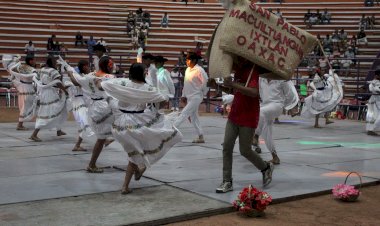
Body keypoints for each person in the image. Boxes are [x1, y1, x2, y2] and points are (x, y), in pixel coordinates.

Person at [101, 63, 183, 194]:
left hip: (121, 122)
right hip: (137, 122)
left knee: (135, 153)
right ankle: (133, 177)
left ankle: (135, 175)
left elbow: (104, 84)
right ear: (143, 73)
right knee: (147, 146)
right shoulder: (147, 88)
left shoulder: (124, 83)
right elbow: (162, 100)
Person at [209, 58, 274, 193]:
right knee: (227, 146)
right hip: (235, 114)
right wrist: (217, 86)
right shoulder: (238, 70)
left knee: (245, 150)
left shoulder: (253, 70)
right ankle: (227, 181)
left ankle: (265, 167)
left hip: (248, 116)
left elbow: (254, 92)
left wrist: (233, 83)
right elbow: (236, 91)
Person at [60, 56, 115, 173]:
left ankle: (92, 163)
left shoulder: (89, 76)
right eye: (111, 65)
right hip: (105, 107)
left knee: (102, 138)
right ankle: (136, 161)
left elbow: (76, 80)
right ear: (108, 66)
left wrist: (69, 70)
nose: (113, 67)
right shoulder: (110, 77)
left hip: (93, 108)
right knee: (125, 127)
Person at [252, 79, 299, 165]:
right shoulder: (261, 78)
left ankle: (256, 136)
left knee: (260, 112)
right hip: (264, 105)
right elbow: (258, 92)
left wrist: (287, 106)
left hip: (277, 105)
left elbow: (291, 95)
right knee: (267, 133)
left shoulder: (281, 79)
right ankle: (275, 157)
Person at [29, 56, 68, 142]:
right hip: (50, 93)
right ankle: (34, 134)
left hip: (44, 92)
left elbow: (39, 80)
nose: (56, 63)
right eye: (55, 61)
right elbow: (58, 83)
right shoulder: (53, 71)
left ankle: (59, 130)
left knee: (59, 110)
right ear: (52, 62)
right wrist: (65, 90)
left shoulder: (42, 69)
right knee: (48, 112)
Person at [174, 52, 208, 143]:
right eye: (186, 60)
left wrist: (201, 93)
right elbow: (186, 84)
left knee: (184, 113)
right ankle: (201, 136)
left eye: (188, 60)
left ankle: (170, 132)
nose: (186, 61)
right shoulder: (188, 70)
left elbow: (206, 83)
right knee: (193, 117)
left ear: (194, 60)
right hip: (189, 97)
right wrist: (183, 95)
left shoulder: (199, 70)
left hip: (196, 97)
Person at [63, 60, 93, 151]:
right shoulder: (74, 79)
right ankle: (104, 138)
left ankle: (77, 145)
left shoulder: (84, 77)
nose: (89, 68)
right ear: (84, 67)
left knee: (86, 123)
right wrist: (71, 75)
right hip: (78, 102)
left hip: (82, 101)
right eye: (88, 66)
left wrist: (71, 74)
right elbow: (74, 84)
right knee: (86, 122)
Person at [8, 55, 37, 130]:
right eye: (34, 60)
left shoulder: (20, 67)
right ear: (30, 61)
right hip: (27, 88)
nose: (35, 62)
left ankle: (40, 121)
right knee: (25, 106)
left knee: (26, 106)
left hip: (22, 87)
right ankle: (20, 125)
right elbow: (36, 77)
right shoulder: (31, 69)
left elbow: (13, 74)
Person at [366, 69, 380, 136]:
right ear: (377, 75)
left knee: (374, 115)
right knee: (373, 115)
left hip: (375, 99)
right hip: (377, 99)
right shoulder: (374, 82)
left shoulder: (374, 82)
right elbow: (375, 90)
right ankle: (373, 129)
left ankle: (371, 129)